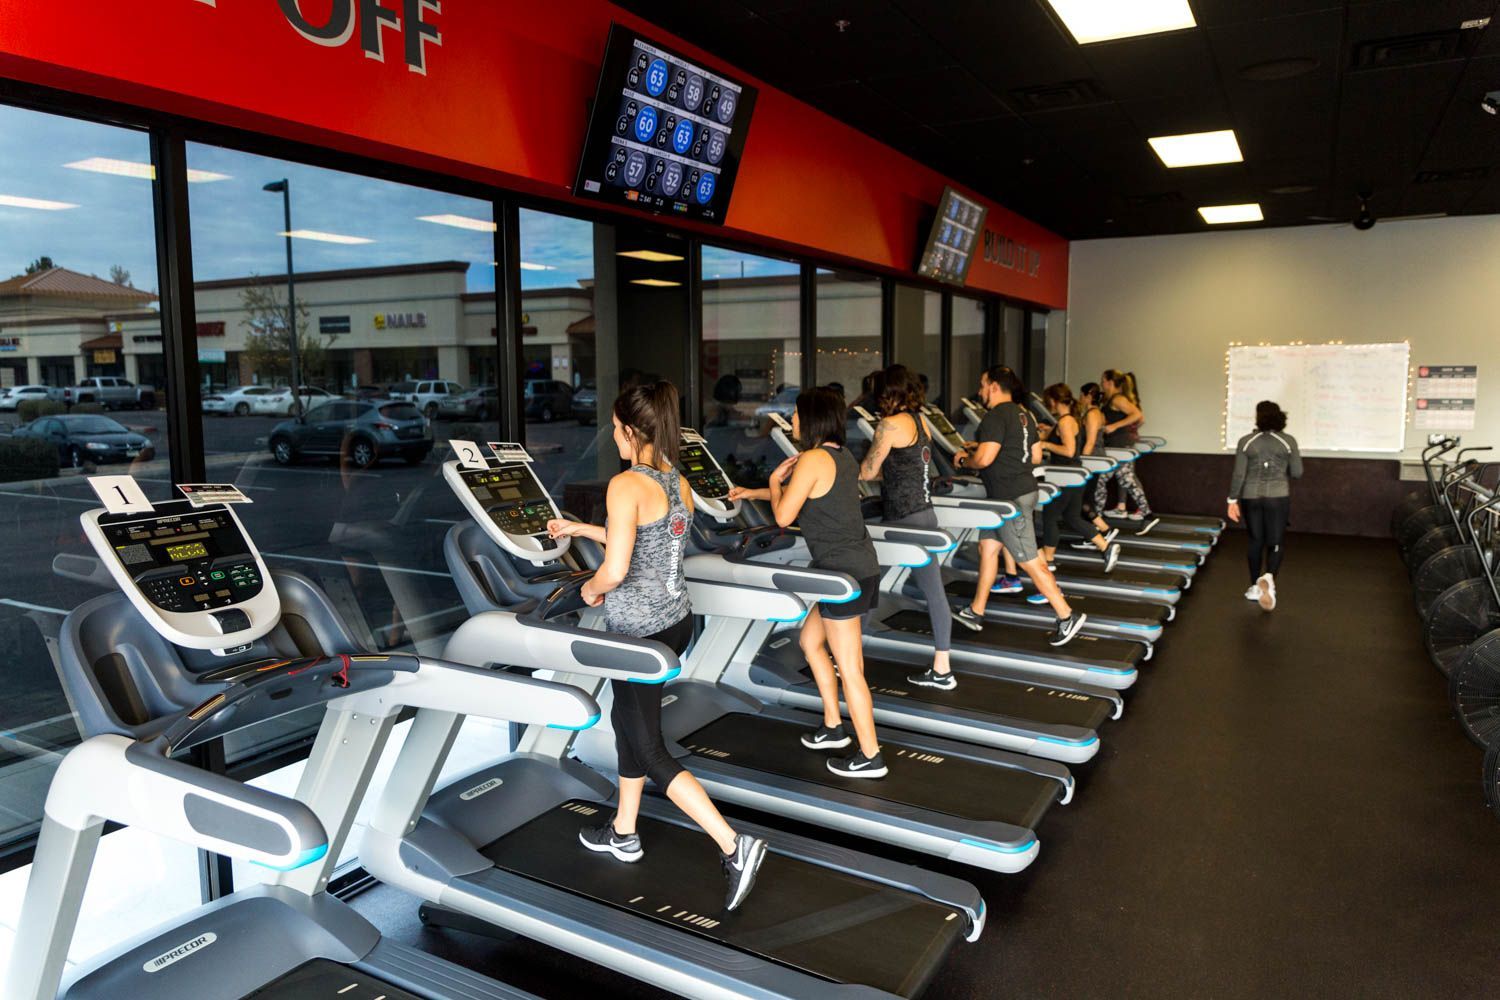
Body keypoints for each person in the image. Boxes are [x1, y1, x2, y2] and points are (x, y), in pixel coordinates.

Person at [546, 380, 768, 911]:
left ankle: (734, 845)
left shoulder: (626, 483)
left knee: (647, 744)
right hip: (675, 622)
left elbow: (618, 569)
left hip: (636, 633)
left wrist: (589, 590)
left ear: (626, 429)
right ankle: (623, 830)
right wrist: (585, 528)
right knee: (630, 724)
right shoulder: (676, 479)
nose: (614, 438)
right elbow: (651, 539)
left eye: (614, 428)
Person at [728, 387, 887, 778]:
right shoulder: (840, 455)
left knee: (850, 668)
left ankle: (871, 755)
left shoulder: (814, 458)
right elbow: (811, 497)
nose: (793, 421)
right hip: (858, 567)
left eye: (797, 415)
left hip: (843, 574)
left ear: (812, 418)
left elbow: (784, 515)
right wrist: (753, 491)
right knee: (809, 642)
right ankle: (834, 727)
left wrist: (773, 479)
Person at [952, 366, 1087, 646]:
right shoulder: (1025, 414)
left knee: (1030, 560)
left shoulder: (995, 415)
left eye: (982, 385)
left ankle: (1066, 615)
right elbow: (1035, 456)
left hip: (1009, 500)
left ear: (993, 386)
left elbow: (985, 460)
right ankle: (976, 611)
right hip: (1011, 495)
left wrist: (965, 460)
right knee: (987, 548)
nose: (980, 391)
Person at [858, 364, 955, 690]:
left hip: (902, 521)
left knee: (867, 586)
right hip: (925, 514)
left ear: (887, 393)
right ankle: (943, 668)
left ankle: (848, 657)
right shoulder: (920, 420)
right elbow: (905, 468)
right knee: (934, 591)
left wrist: (828, 467)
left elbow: (869, 471)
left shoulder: (888, 425)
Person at [1228, 400, 1302, 612]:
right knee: (1276, 540)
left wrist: (1232, 500)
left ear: (1258, 417)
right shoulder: (1288, 441)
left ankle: (1254, 587)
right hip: (1278, 496)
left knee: (1255, 540)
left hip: (1251, 496)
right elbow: (1297, 472)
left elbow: (1239, 474)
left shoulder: (1246, 441)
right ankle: (1269, 577)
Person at [1037, 383, 1121, 571]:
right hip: (1073, 476)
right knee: (1072, 517)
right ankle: (1106, 547)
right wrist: (1047, 433)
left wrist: (1045, 445)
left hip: (1064, 476)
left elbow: (1069, 450)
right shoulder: (1069, 419)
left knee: (1050, 517)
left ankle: (1048, 560)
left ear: (1053, 400)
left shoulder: (1066, 421)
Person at [1093, 369, 1152, 521]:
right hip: (1115, 446)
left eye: (1103, 381)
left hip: (1119, 447)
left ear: (1110, 382)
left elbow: (1138, 415)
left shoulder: (1117, 399)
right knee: (1114, 480)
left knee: (1123, 480)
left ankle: (1147, 513)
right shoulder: (1111, 400)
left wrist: (1116, 426)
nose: (1101, 384)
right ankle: (1097, 516)